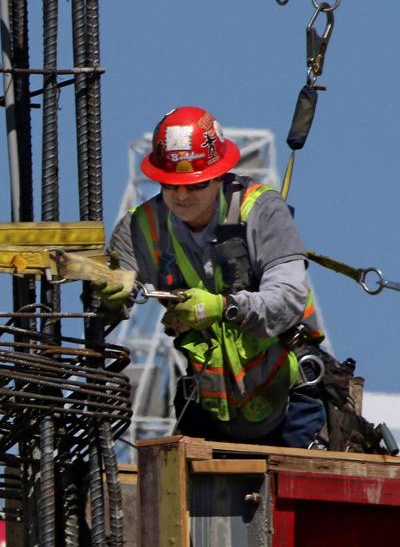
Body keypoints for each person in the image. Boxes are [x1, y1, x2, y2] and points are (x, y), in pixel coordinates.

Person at [102, 105, 325, 448]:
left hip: (288, 401)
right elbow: (102, 312)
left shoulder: (261, 211)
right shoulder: (140, 229)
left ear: (219, 175)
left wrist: (223, 307)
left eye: (195, 184)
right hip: (209, 407)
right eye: (170, 184)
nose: (181, 196)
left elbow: (288, 298)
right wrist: (106, 296)